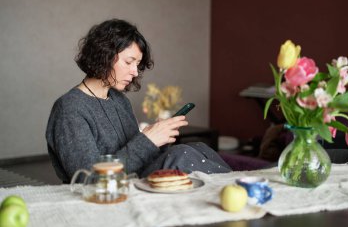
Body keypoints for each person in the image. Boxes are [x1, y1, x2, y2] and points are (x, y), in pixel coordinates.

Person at [46, 19, 231, 183]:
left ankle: (238, 186)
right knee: (181, 154)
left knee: (197, 147)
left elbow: (136, 155)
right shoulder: (69, 109)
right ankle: (241, 188)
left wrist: (158, 137)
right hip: (105, 192)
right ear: (104, 55)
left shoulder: (119, 100)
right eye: (129, 62)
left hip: (133, 178)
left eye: (137, 64)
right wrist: (148, 140)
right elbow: (89, 177)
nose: (135, 72)